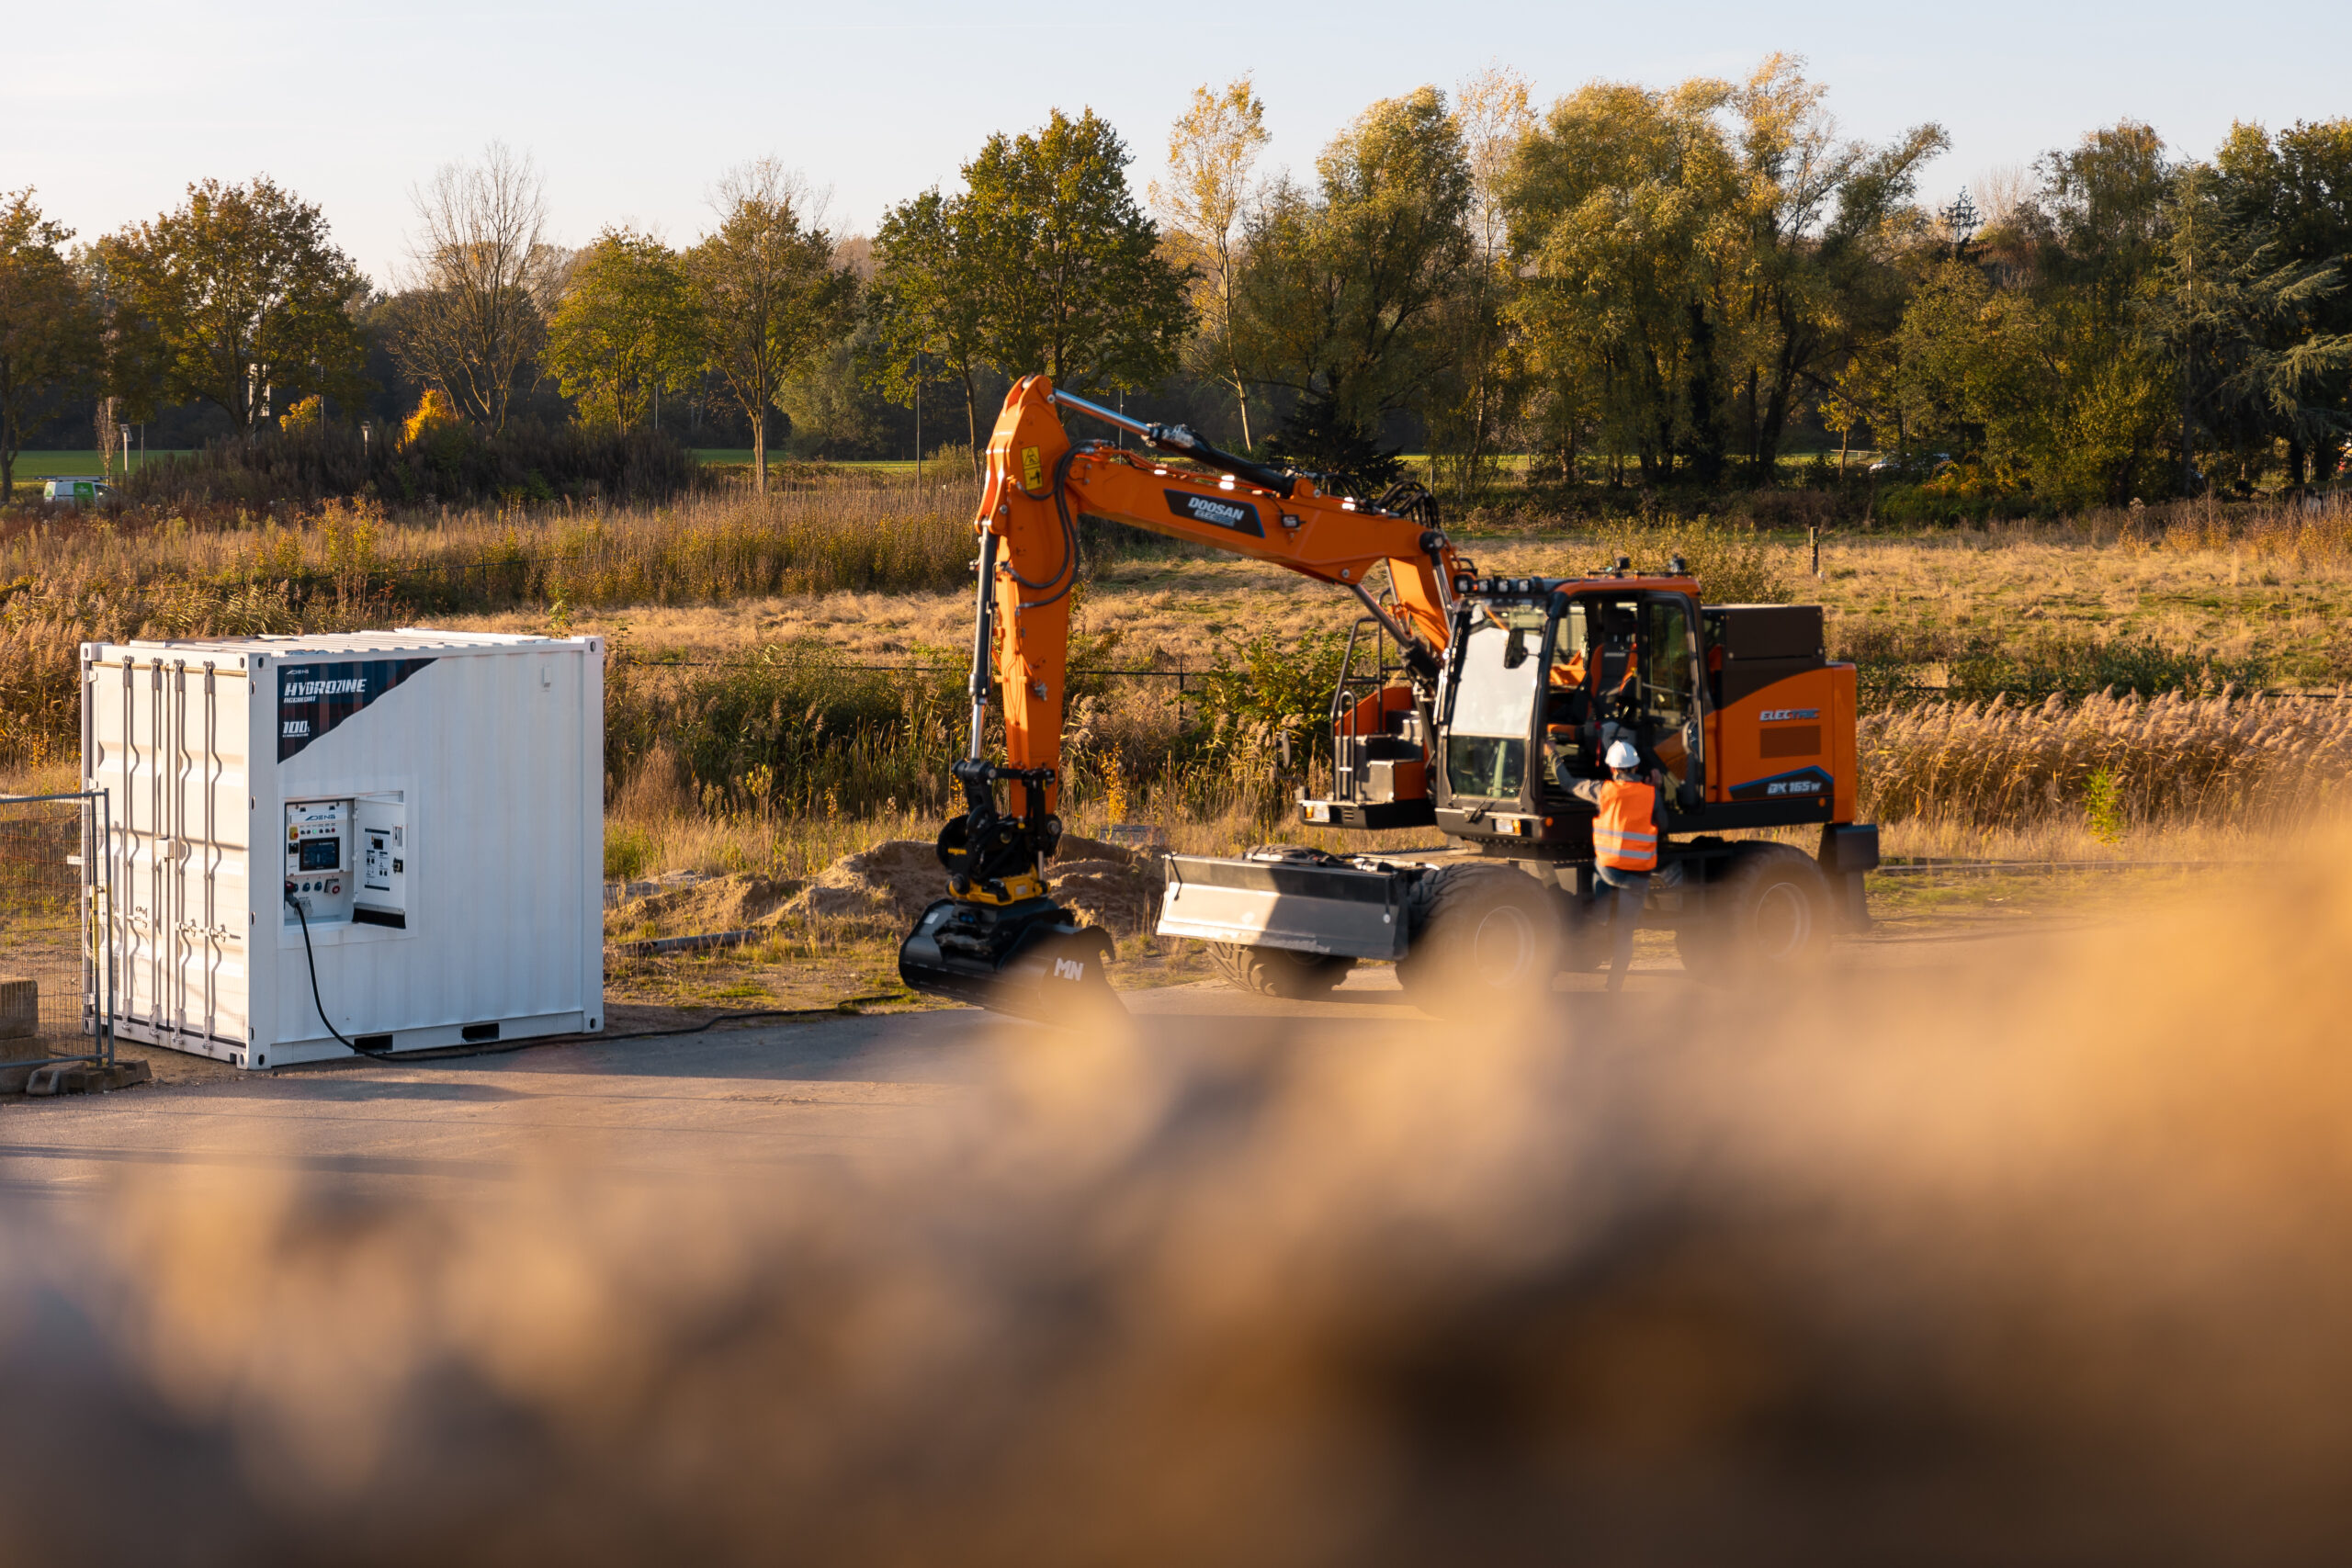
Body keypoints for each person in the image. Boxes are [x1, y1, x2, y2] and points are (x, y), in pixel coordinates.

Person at [1566, 738, 1660, 993]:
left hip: (1609, 870)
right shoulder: (1650, 792)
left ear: (1612, 768)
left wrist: (1552, 756)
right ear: (1636, 766)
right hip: (1639, 875)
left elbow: (1568, 783)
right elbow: (1664, 822)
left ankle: (1600, 921)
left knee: (1600, 903)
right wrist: (1657, 789)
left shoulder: (1603, 790)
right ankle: (1614, 985)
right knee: (1625, 933)